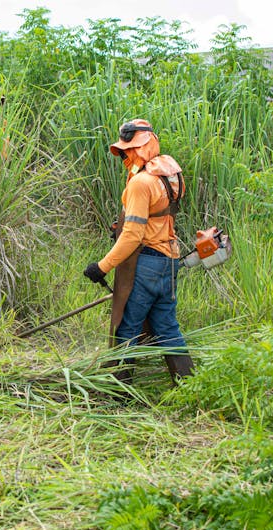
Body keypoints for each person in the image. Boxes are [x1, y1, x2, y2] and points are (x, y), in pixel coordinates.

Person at [83, 119, 194, 382]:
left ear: (144, 147)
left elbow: (133, 236)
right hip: (169, 261)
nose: (126, 157)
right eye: (124, 152)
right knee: (167, 327)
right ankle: (190, 385)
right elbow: (156, 216)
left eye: (130, 150)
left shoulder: (140, 183)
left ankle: (119, 392)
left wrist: (102, 267)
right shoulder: (170, 175)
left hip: (145, 263)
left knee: (127, 328)